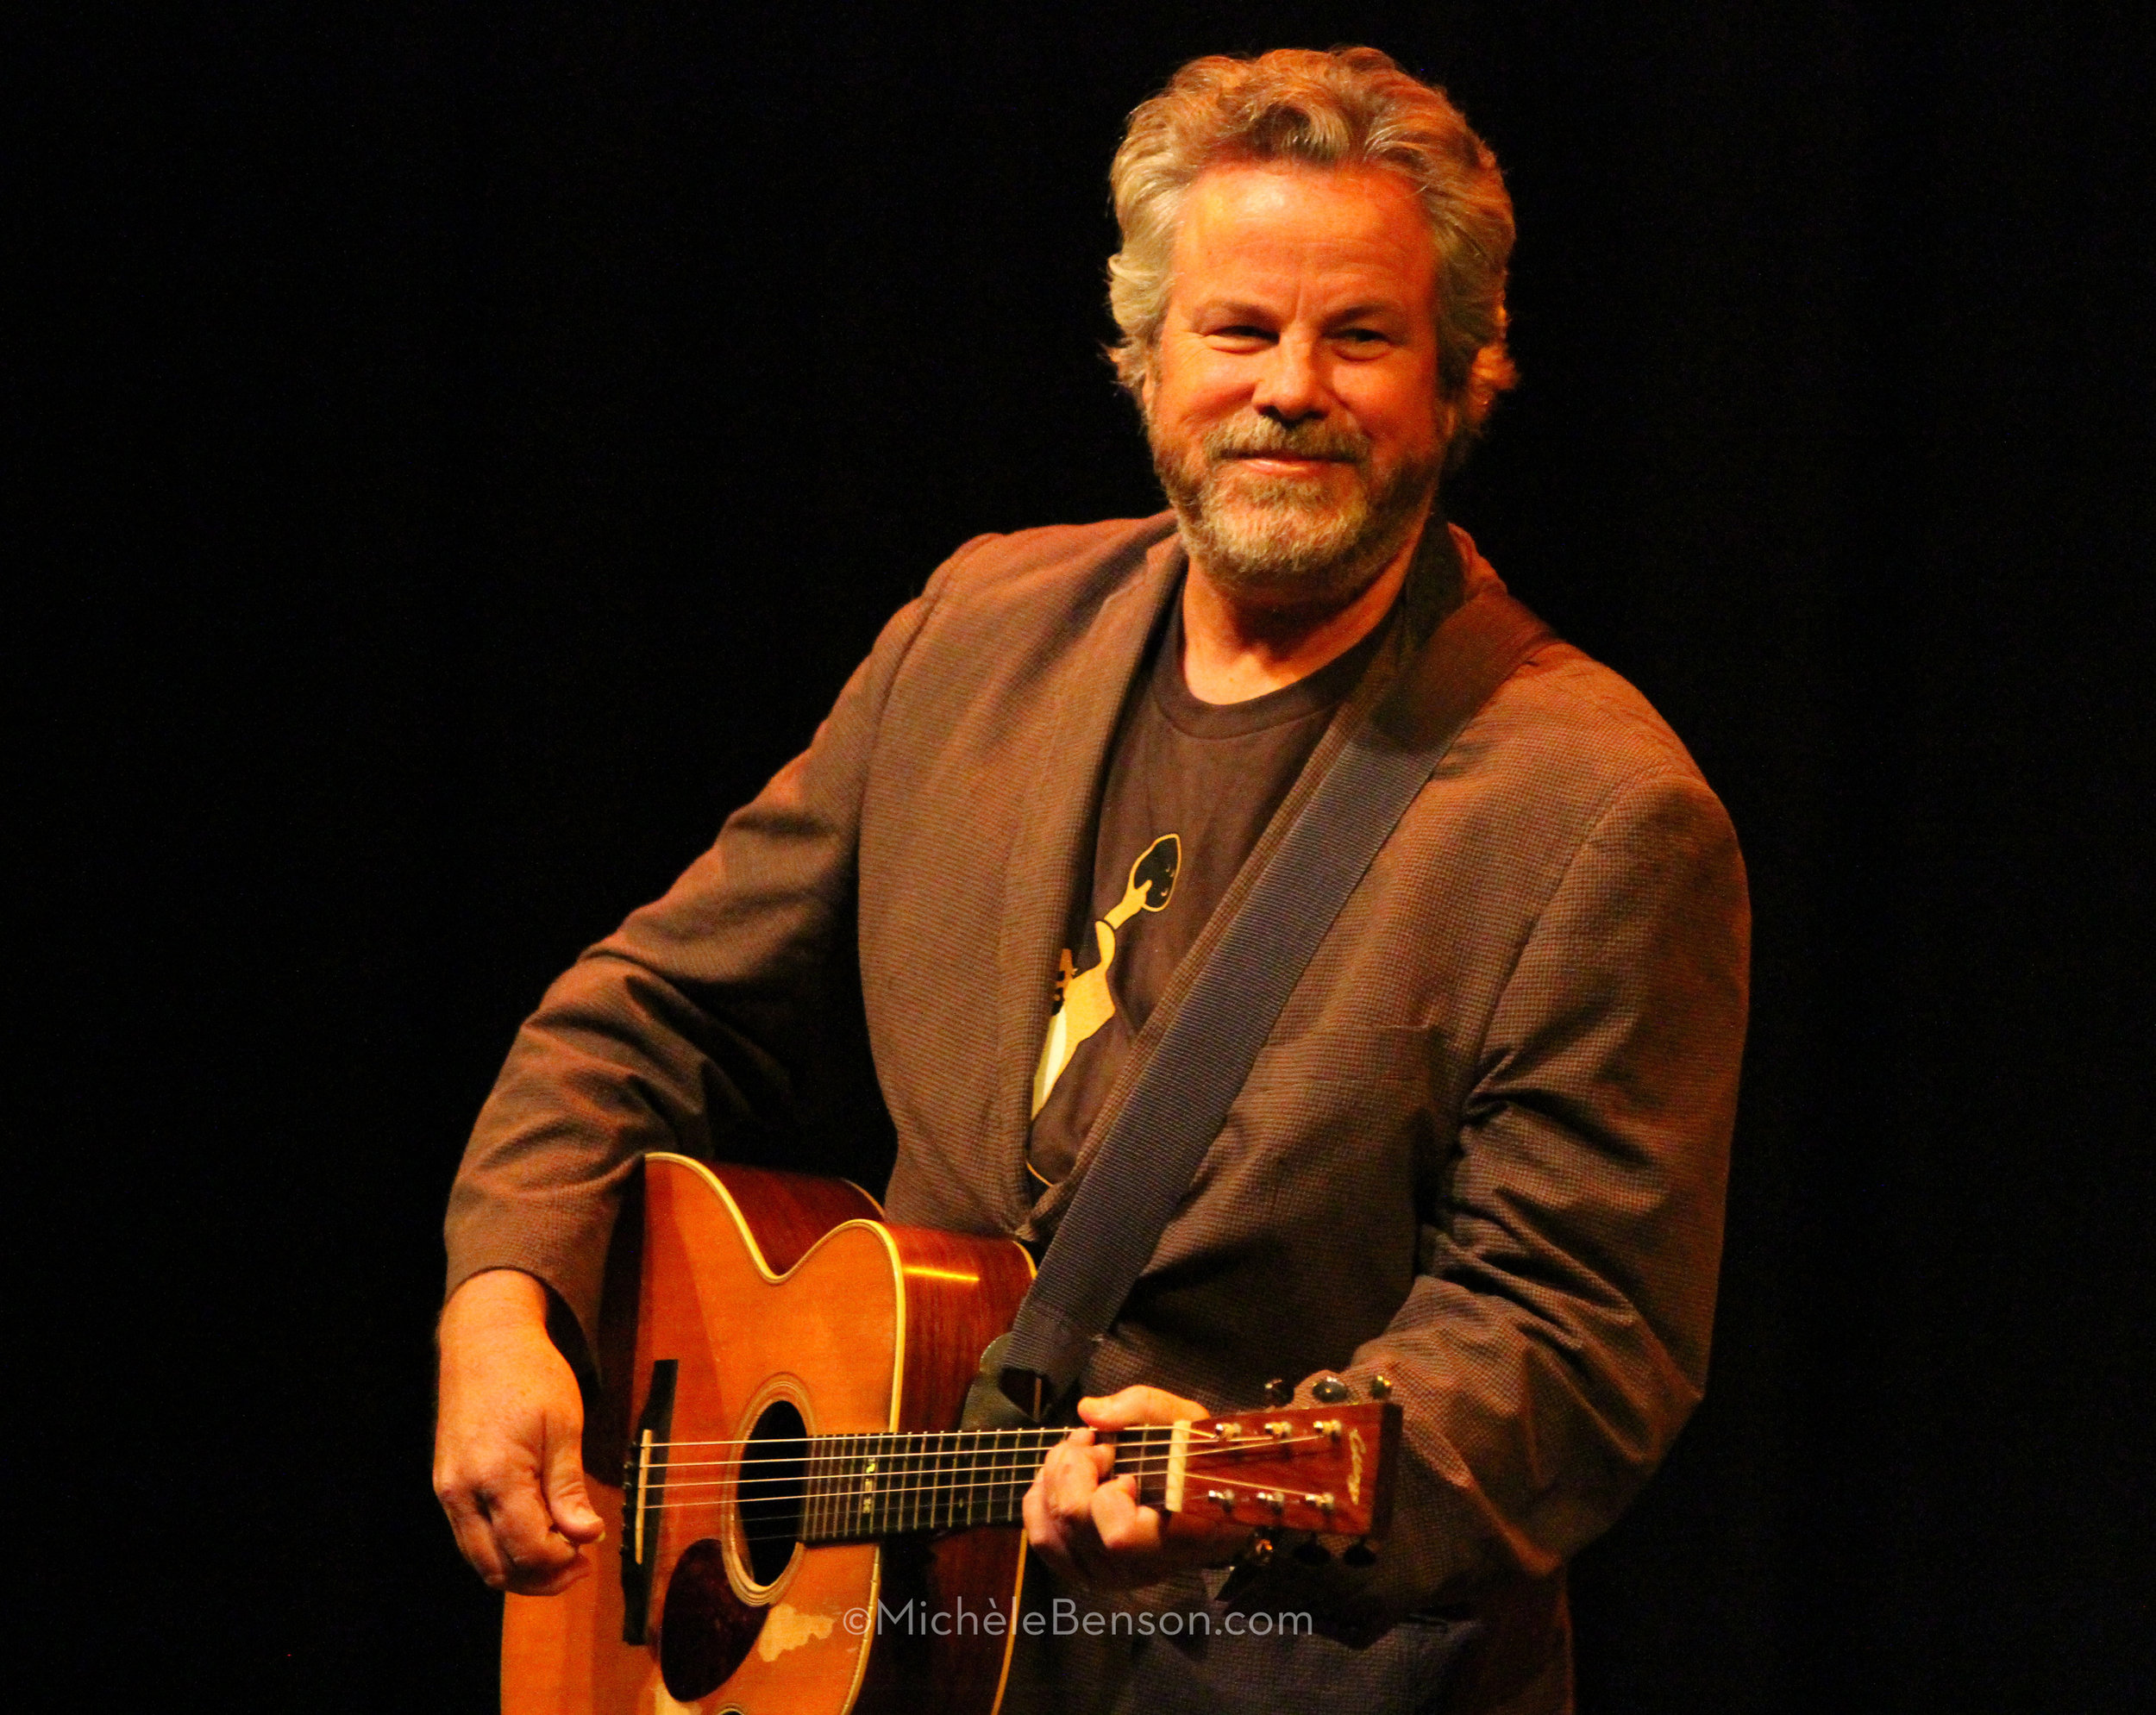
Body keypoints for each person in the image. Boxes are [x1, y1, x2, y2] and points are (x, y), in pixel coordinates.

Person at [434, 46, 1749, 1714]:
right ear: (1142, 355)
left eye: (1361, 336)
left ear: (1468, 373)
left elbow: (1575, 1343)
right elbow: (643, 1013)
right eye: (1238, 330)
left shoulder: (1592, 808)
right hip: (879, 1656)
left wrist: (1254, 1487)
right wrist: (502, 1301)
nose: (1292, 387)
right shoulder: (978, 635)